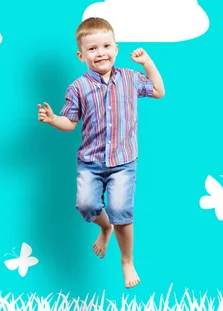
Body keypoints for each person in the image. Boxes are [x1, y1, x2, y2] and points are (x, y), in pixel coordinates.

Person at [37, 17, 165, 288]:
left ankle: (127, 260)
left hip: (123, 161)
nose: (100, 53)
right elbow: (70, 123)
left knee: (121, 211)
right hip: (91, 162)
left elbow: (158, 91)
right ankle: (104, 227)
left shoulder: (130, 78)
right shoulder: (77, 88)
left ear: (116, 48)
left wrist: (147, 63)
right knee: (86, 206)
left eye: (106, 46)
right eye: (92, 49)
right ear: (81, 54)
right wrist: (52, 119)